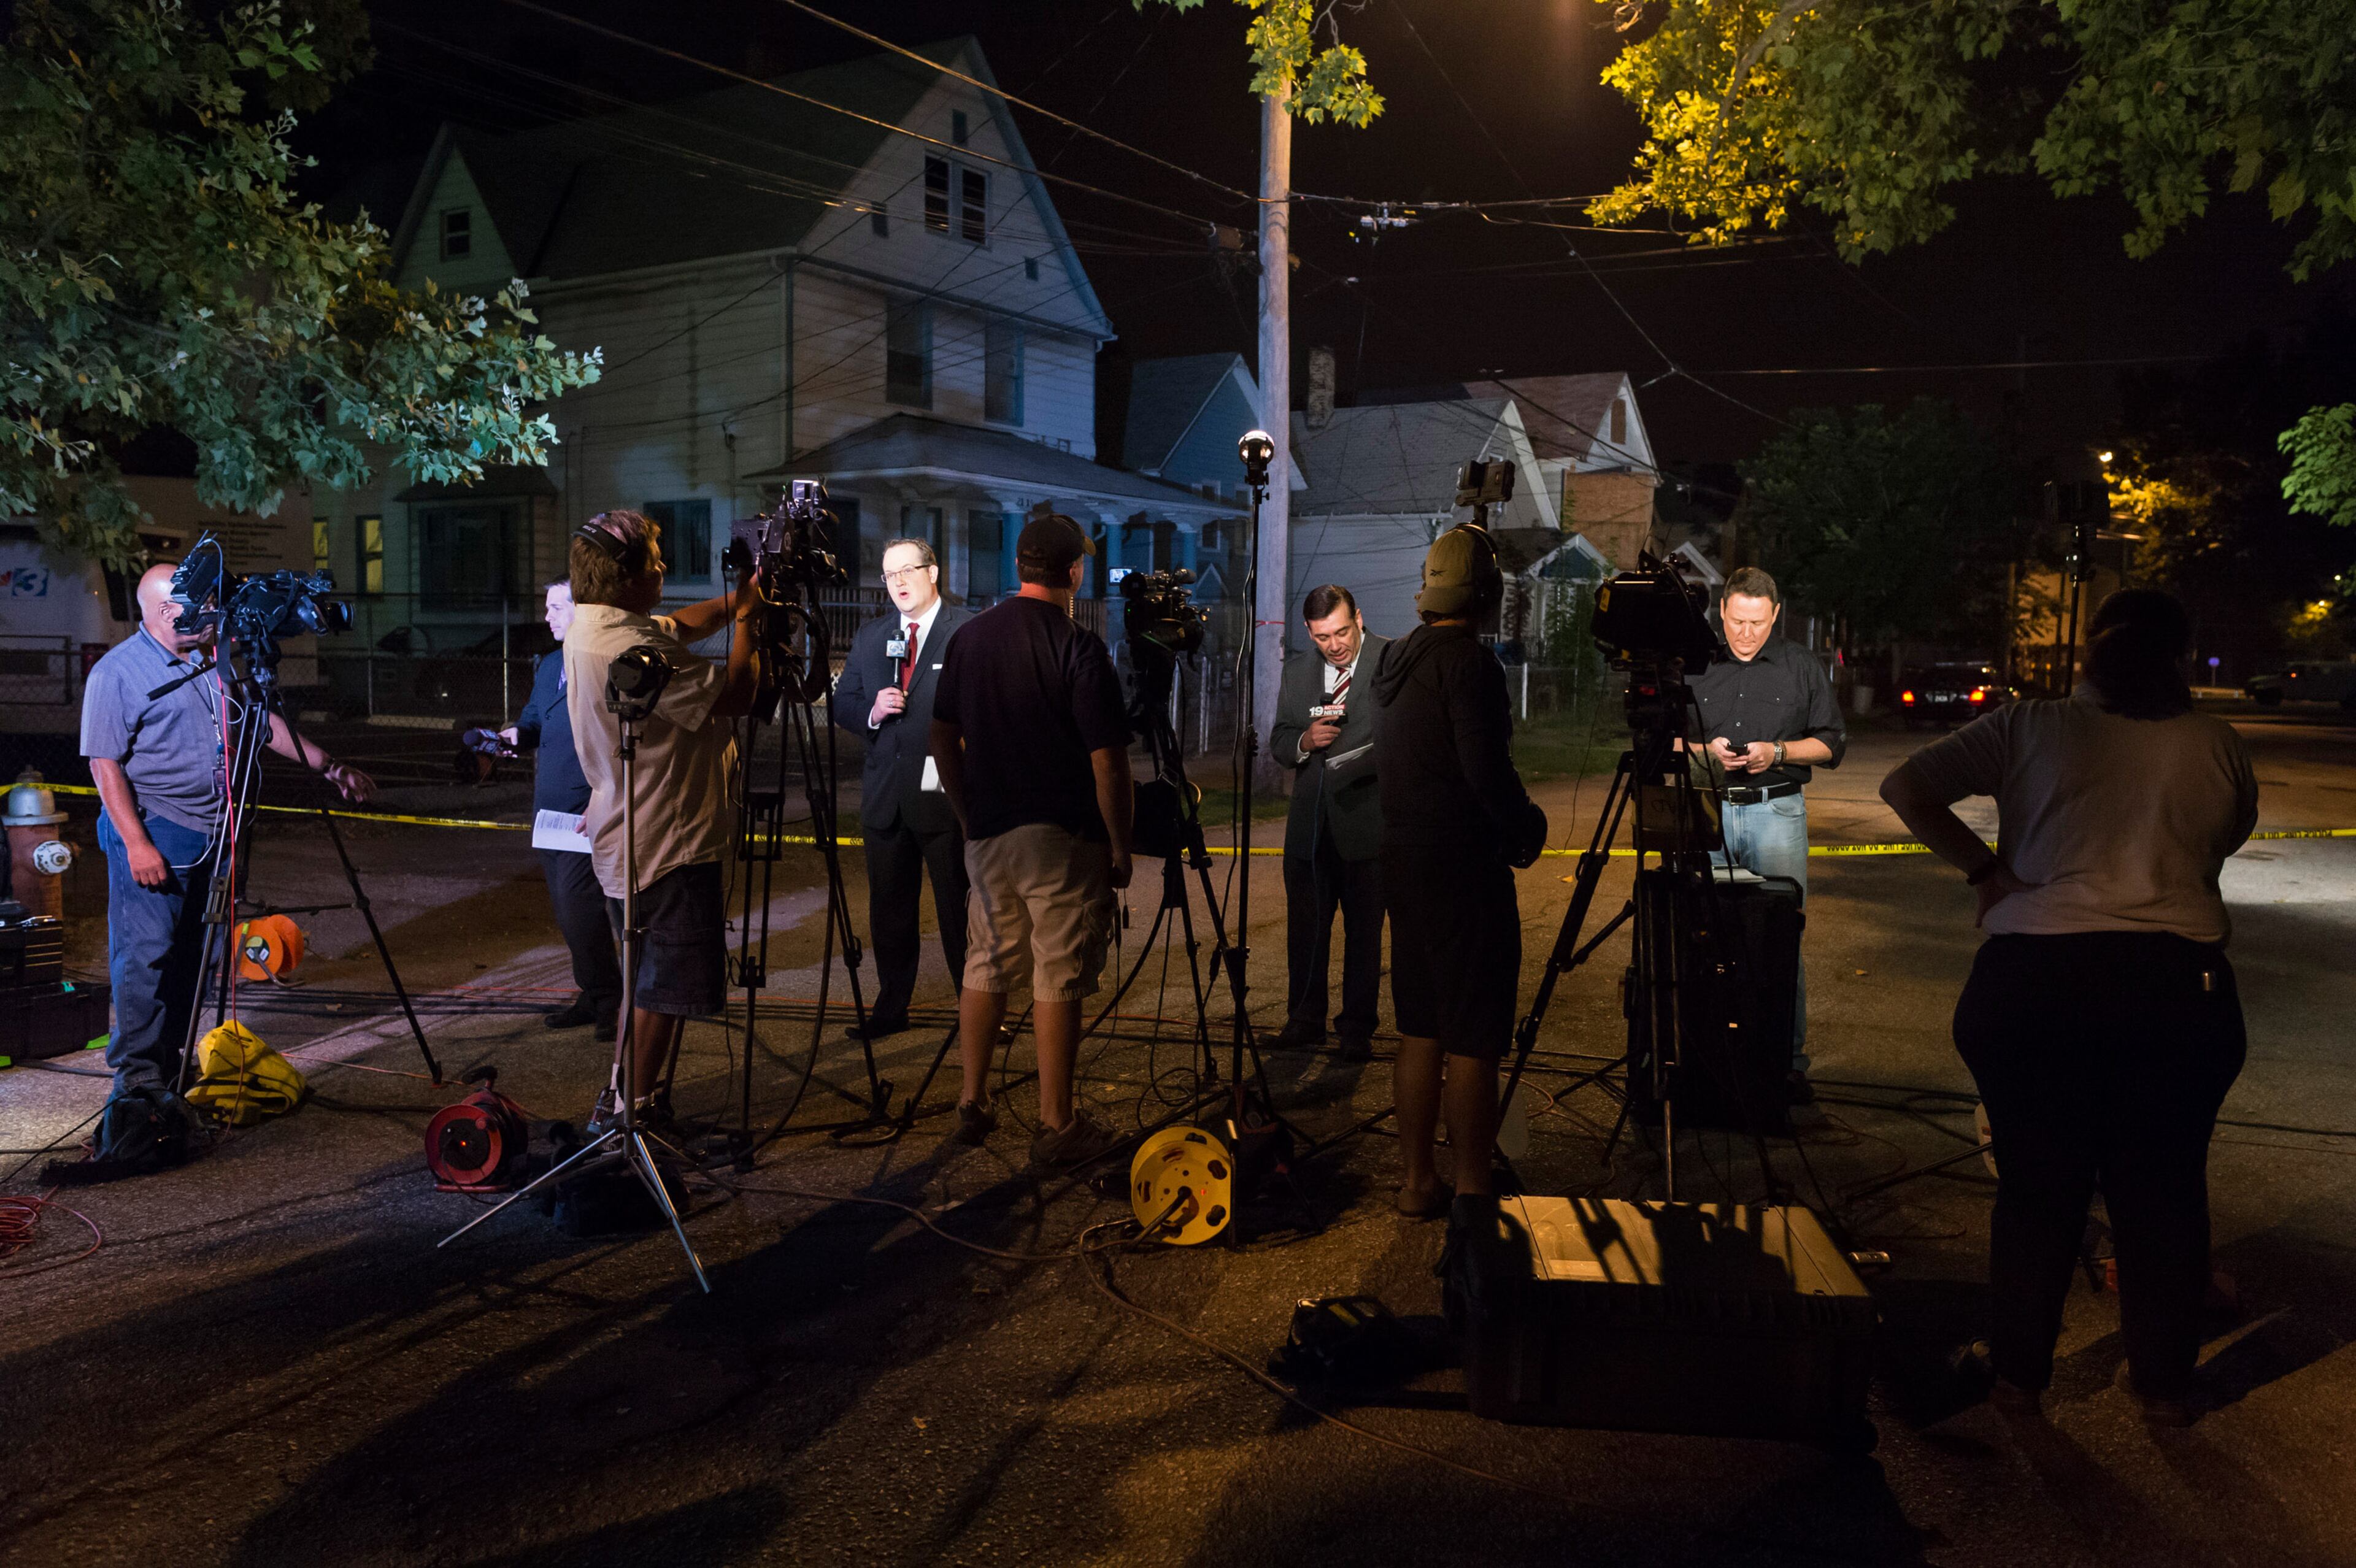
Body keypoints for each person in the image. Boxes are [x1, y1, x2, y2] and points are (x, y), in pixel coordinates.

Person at [1879, 589, 2257, 1428]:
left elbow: (1907, 785)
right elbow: (2223, 841)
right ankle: (2162, 1385)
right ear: (2181, 656)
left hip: (2035, 984)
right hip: (2175, 991)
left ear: (2090, 653)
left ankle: (2018, 1379)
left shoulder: (2030, 726)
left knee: (2035, 1193)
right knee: (2164, 1191)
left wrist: (1987, 873)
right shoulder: (2216, 742)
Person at [80, 563, 376, 1112]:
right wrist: (138, 843)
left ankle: (171, 1065)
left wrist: (330, 767)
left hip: (216, 832)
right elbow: (105, 767)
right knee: (146, 960)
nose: (216, 612)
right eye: (203, 603)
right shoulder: (117, 673)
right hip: (155, 831)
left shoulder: (210, 661)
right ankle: (139, 1083)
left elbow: (259, 723)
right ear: (168, 611)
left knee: (195, 956)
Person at [929, 513, 1133, 1169]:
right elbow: (1108, 761)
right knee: (1059, 970)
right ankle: (1056, 1121)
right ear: (1074, 571)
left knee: (987, 961)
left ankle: (972, 1100)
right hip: (1060, 836)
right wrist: (1121, 846)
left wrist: (967, 813)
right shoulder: (1079, 646)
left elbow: (941, 736)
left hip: (988, 834)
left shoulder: (970, 639)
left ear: (1021, 566)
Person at [1371, 525, 1547, 1234]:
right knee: (1473, 1035)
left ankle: (1418, 1182)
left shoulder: (1395, 660)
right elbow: (1485, 772)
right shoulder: (1469, 666)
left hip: (1405, 861)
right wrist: (1524, 827)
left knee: (1420, 1028)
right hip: (1461, 869)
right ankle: (1474, 1188)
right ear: (1487, 594)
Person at [563, 510, 758, 1129]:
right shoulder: (630, 646)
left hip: (633, 833)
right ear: (625, 576)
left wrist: (737, 600)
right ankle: (632, 1114)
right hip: (667, 841)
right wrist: (751, 623)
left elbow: (678, 624)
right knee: (661, 990)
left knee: (643, 983)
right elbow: (736, 695)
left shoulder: (594, 627)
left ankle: (624, 1097)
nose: (665, 567)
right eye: (654, 559)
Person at [1687, 565, 1846, 1099]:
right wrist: (1701, 755)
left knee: (1781, 937)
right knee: (1704, 935)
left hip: (1776, 812)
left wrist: (1777, 752)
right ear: (1722, 612)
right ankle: (1711, 1053)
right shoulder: (1698, 665)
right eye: (1736, 621)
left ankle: (1787, 1061)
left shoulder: (1801, 666)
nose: (1746, 634)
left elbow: (1830, 744)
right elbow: (1660, 742)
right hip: (1708, 813)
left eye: (1757, 622)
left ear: (1775, 615)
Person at [829, 537, 972, 1039]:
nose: (899, 583)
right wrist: (871, 711)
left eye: (909, 570)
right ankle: (891, 1009)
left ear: (934, 572)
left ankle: (975, 1012)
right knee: (890, 915)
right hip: (885, 799)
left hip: (945, 796)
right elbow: (842, 701)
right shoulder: (873, 636)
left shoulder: (967, 630)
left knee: (960, 913)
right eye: (890, 576)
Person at [1267, 584, 1388, 1060]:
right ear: (1308, 633)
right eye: (1322, 638)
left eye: (1341, 632)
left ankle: (1356, 1029)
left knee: (1364, 934)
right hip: (1310, 826)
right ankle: (1304, 1020)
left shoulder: (1391, 660)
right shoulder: (1297, 672)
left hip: (1368, 824)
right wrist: (1303, 740)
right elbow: (1278, 738)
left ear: (1358, 618)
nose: (1334, 645)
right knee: (1307, 931)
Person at [501, 578, 622, 1043]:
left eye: (557, 607)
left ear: (583, 610)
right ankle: (593, 994)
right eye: (547, 607)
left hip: (584, 805)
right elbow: (535, 716)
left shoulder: (602, 663)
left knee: (582, 906)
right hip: (548, 808)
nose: (548, 616)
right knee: (568, 910)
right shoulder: (552, 663)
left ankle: (611, 1001)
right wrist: (516, 734)